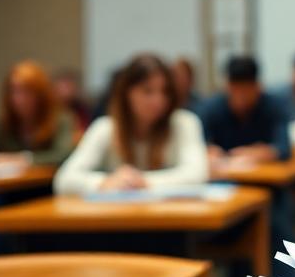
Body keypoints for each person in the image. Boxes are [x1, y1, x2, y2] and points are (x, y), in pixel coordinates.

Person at [196, 55, 295, 277]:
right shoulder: (211, 108)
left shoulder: (273, 105)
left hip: (269, 197)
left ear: (257, 87)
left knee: (278, 237)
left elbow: (284, 149)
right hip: (224, 197)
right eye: (235, 90)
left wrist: (257, 153)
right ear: (227, 87)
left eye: (247, 90)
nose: (240, 98)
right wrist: (210, 153)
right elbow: (198, 148)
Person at [54, 54, 207, 194]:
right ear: (127, 93)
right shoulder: (105, 128)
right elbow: (64, 180)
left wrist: (139, 182)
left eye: (165, 92)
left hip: (173, 219)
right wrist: (105, 182)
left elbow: (197, 174)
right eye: (148, 91)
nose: (158, 100)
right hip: (119, 220)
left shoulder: (184, 123)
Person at [0, 60, 79, 169]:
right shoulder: (1, 119)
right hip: (7, 183)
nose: (19, 99)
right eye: (14, 91)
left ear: (41, 94)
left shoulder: (60, 119)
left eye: (27, 92)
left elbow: (64, 155)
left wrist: (26, 159)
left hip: (43, 184)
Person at [52, 67, 93, 131]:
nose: (68, 90)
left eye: (70, 85)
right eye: (64, 86)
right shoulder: (50, 111)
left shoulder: (82, 110)